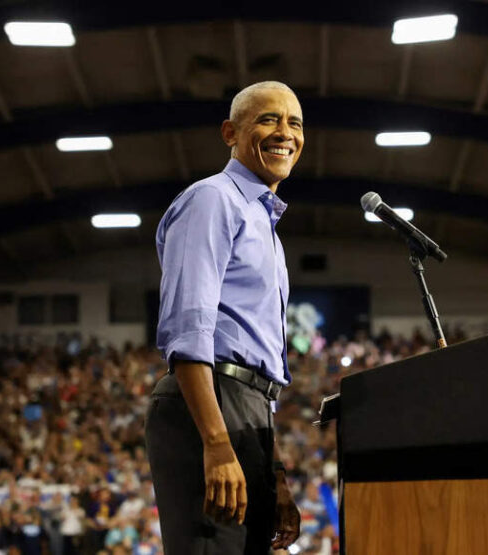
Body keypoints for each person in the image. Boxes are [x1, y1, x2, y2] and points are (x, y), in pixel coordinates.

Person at [145, 81, 303, 554]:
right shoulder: (212, 199)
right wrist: (215, 443)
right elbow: (188, 330)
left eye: (294, 123)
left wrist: (275, 473)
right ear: (230, 132)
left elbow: (262, 366)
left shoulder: (264, 224)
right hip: (211, 402)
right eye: (268, 119)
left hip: (250, 409)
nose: (284, 133)